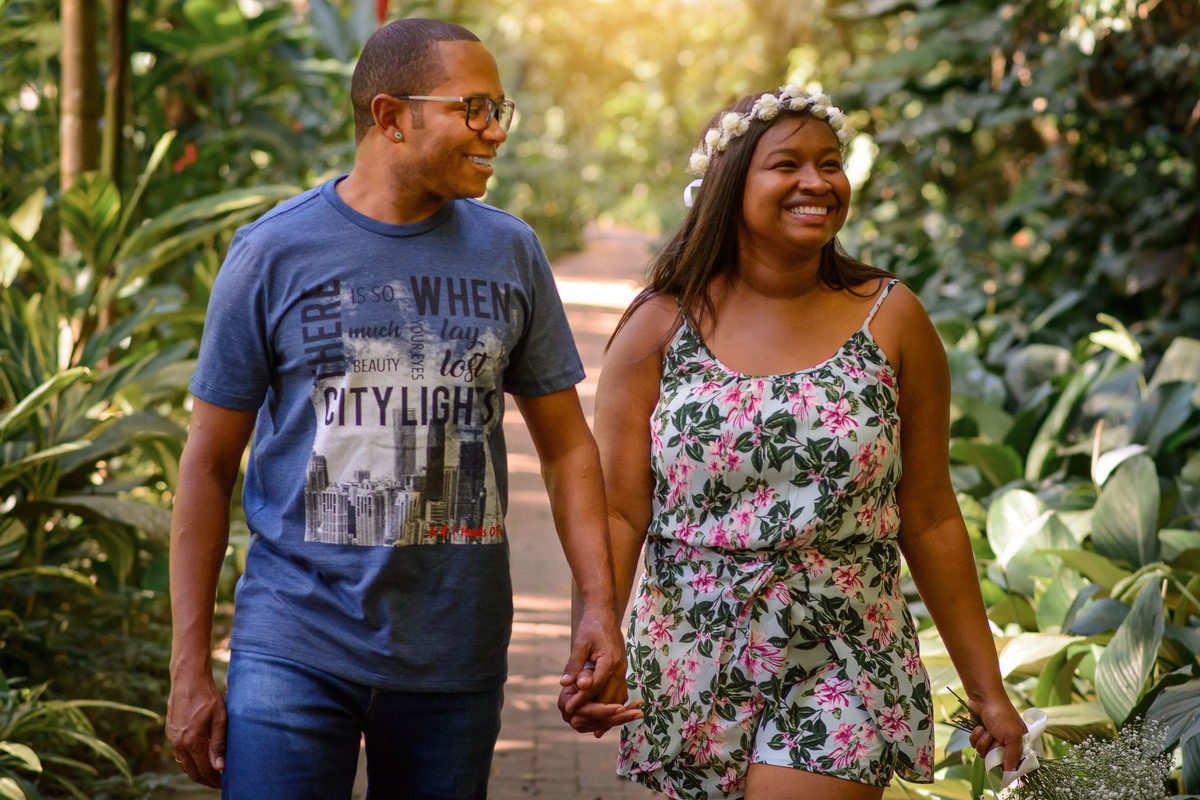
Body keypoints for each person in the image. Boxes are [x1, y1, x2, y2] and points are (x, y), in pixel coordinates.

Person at [165, 18, 625, 799]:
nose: (495, 132)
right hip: (293, 643)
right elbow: (207, 465)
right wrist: (188, 667)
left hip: (454, 653)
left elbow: (568, 448)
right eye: (473, 109)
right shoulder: (272, 253)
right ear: (389, 117)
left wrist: (598, 607)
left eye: (500, 110)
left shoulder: (510, 252)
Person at [558, 86, 1028, 799]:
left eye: (831, 163)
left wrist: (985, 688)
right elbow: (622, 510)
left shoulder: (892, 318)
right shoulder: (659, 328)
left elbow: (930, 513)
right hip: (694, 651)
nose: (817, 181)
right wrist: (595, 630)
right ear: (728, 181)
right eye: (788, 165)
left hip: (845, 650)